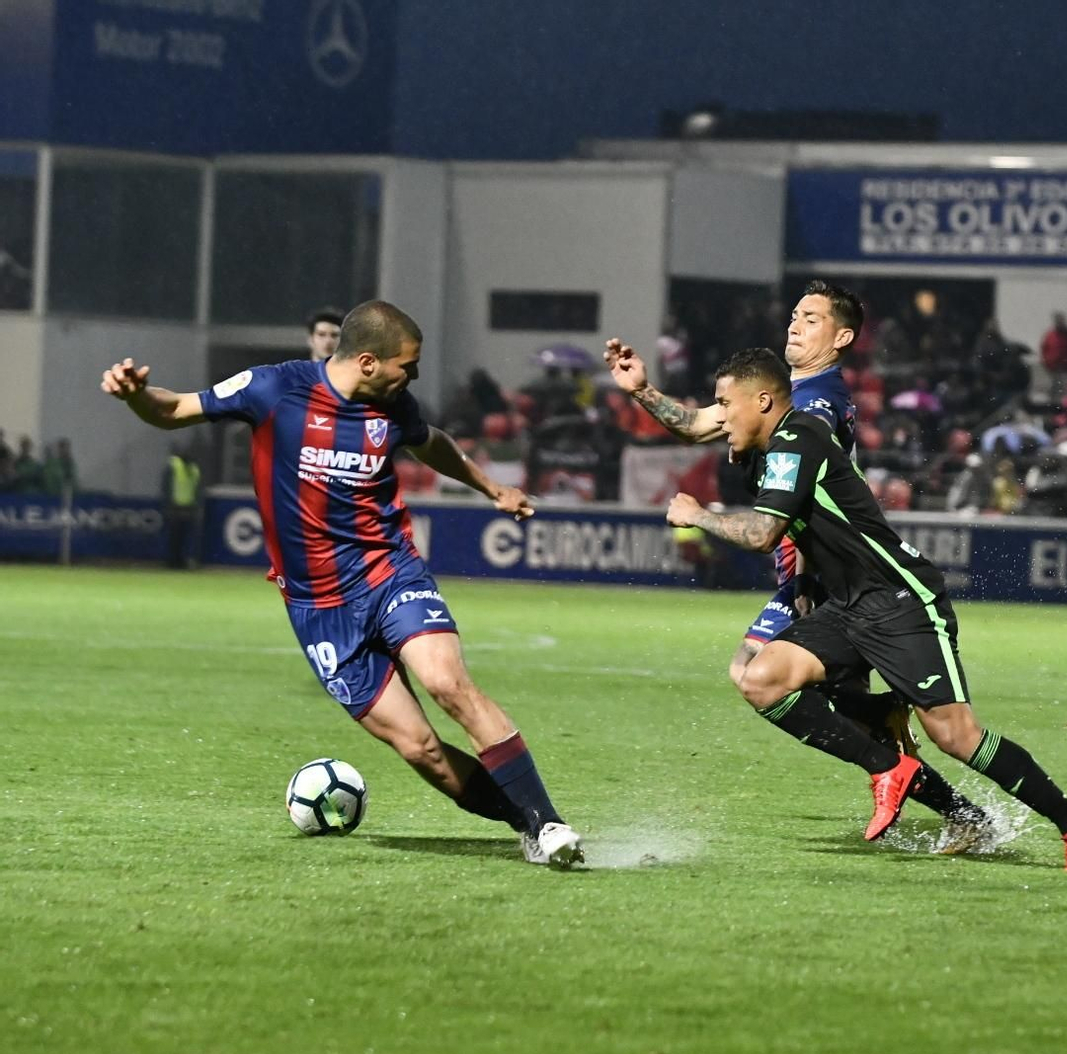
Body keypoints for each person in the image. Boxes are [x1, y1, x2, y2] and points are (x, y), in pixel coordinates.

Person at [100, 300, 583, 868]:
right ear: (369, 362)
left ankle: (548, 824)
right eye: (409, 364)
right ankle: (525, 822)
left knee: (447, 682)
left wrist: (490, 487)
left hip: (388, 571)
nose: (416, 377)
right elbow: (178, 407)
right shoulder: (272, 389)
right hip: (319, 607)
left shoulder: (394, 404)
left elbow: (430, 441)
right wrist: (135, 396)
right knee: (421, 749)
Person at [666, 348, 1067, 870]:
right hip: (848, 606)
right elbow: (699, 431)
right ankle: (886, 766)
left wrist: (699, 514)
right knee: (760, 679)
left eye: (725, 403)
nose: (719, 415)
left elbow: (764, 534)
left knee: (955, 735)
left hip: (899, 601)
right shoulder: (775, 448)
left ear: (762, 400)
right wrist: (639, 390)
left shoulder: (796, 437)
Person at [607, 282, 990, 849]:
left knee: (758, 673)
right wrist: (642, 391)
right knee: (825, 703)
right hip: (810, 570)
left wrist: (812, 584)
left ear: (841, 338)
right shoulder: (787, 393)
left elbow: (812, 499)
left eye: (810, 319)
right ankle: (941, 789)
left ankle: (926, 772)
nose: (794, 324)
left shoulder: (818, 405)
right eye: (794, 315)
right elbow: (693, 426)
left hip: (825, 574)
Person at [161, 443, 202, 569]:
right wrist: (168, 504)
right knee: (175, 537)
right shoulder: (174, 465)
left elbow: (197, 489)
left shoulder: (194, 469)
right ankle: (172, 560)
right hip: (175, 508)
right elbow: (166, 486)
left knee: (184, 537)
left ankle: (181, 560)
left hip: (188, 508)